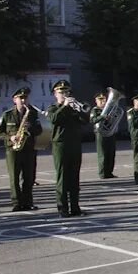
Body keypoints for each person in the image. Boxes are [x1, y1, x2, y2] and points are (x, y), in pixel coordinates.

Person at [48, 80, 91, 217]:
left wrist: (80, 110)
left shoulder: (73, 108)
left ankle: (75, 208)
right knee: (62, 178)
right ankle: (63, 209)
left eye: (66, 92)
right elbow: (54, 119)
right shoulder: (52, 108)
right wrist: (65, 106)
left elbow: (85, 121)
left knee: (74, 177)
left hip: (75, 144)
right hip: (60, 145)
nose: (65, 95)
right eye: (61, 92)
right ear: (55, 94)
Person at [0, 87, 41, 212]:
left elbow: (39, 130)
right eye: (20, 98)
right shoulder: (7, 114)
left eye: (25, 98)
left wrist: (30, 127)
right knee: (14, 177)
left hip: (28, 149)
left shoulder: (32, 114)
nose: (23, 100)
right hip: (13, 149)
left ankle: (28, 202)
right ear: (14, 100)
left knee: (29, 177)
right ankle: (16, 202)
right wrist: (10, 137)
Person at [89, 93, 117, 179]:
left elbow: (115, 119)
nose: (102, 101)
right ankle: (102, 173)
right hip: (100, 133)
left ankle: (109, 172)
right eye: (100, 100)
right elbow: (92, 120)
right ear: (96, 101)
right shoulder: (95, 110)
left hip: (110, 132)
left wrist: (113, 116)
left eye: (104, 99)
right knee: (103, 154)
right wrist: (102, 117)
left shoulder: (109, 109)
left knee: (111, 153)